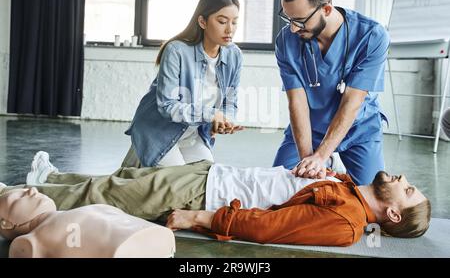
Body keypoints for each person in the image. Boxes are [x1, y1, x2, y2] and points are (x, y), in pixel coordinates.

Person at [1, 151, 431, 247]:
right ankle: (49, 181)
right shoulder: (350, 188)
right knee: (125, 178)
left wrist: (199, 218)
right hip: (214, 174)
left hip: (207, 193)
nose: (402, 177)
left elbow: (268, 227)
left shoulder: (347, 224)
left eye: (407, 189)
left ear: (393, 212)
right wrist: (324, 166)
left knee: (108, 193)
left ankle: (12, 202)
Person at [273, 0, 390, 185]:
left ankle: (331, 161)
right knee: (281, 189)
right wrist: (308, 162)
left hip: (359, 129)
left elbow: (352, 103)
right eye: (287, 18)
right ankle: (329, 164)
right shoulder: (286, 41)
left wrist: (321, 156)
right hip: (310, 128)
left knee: (372, 201)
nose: (293, 29)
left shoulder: (372, 36)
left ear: (326, 9)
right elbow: (297, 103)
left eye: (299, 20)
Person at [123, 0, 244, 168]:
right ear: (202, 22)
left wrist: (225, 121)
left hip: (193, 134)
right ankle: (138, 160)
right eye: (222, 21)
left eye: (234, 22)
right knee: (176, 185)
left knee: (206, 179)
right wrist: (211, 114)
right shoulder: (176, 51)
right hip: (158, 133)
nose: (230, 30)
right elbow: (167, 106)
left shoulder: (234, 55)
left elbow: (230, 102)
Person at [0, 187, 176, 258]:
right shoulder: (29, 242)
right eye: (19, 197)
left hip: (153, 236)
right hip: (128, 248)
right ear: (6, 224)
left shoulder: (79, 210)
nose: (32, 189)